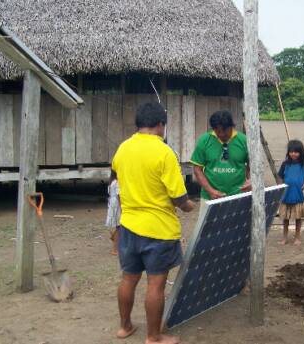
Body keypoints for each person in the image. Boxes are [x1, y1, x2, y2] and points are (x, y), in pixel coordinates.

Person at [111, 102, 194, 344]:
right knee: (155, 285)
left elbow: (115, 175)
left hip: (128, 226)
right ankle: (154, 337)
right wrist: (190, 207)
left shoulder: (123, 148)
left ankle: (124, 327)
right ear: (160, 125)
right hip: (159, 230)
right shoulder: (164, 152)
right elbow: (180, 199)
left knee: (129, 278)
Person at [190, 110, 251, 208]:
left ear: (232, 126)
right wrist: (211, 191)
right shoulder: (204, 140)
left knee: (237, 223)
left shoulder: (244, 141)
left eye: (225, 131)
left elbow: (253, 165)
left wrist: (251, 180)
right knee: (209, 223)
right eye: (218, 131)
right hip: (209, 198)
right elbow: (197, 169)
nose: (222, 134)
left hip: (238, 196)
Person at [276, 139, 304, 246]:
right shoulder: (285, 164)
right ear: (288, 152)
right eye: (291, 151)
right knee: (285, 218)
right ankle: (284, 238)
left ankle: (297, 237)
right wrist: (280, 187)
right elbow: (280, 176)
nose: (293, 154)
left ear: (301, 152)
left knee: (298, 218)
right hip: (286, 195)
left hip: (298, 195)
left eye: (296, 152)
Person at [106, 176, 121, 255]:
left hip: (112, 203)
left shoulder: (111, 181)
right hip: (117, 204)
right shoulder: (117, 182)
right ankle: (114, 249)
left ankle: (114, 237)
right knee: (119, 226)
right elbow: (119, 195)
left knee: (118, 225)